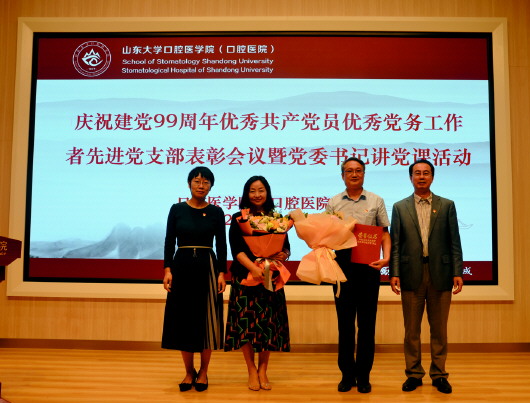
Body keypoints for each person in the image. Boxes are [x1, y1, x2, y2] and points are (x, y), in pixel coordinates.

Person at [389, 159, 463, 395]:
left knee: (439, 329)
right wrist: (394, 273)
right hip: (411, 273)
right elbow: (396, 244)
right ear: (410, 177)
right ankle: (413, 374)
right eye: (417, 173)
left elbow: (454, 241)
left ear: (432, 177)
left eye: (426, 173)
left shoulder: (447, 205)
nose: (421, 177)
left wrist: (457, 271)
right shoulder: (399, 207)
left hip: (440, 274)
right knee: (411, 330)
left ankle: (439, 375)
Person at [325, 157, 391, 393]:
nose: (354, 174)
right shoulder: (334, 202)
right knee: (345, 325)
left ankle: (363, 375)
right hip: (342, 268)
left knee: (367, 324)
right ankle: (346, 374)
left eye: (358, 170)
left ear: (364, 174)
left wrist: (386, 258)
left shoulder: (376, 200)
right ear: (342, 175)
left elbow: (384, 234)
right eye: (349, 171)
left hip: (368, 268)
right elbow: (326, 236)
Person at [161, 166, 227, 392]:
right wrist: (167, 269)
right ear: (189, 184)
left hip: (208, 266)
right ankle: (189, 372)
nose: (201, 185)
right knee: (184, 320)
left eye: (206, 182)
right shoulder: (177, 209)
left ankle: (204, 372)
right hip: (181, 265)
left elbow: (221, 245)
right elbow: (169, 241)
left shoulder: (216, 211)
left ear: (211, 186)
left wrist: (221, 273)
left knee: (207, 320)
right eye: (197, 181)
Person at [224, 175, 291, 391]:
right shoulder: (238, 218)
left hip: (271, 276)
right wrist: (254, 268)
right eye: (252, 190)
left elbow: (286, 247)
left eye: (261, 190)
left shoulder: (276, 218)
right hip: (245, 277)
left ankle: (263, 369)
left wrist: (283, 255)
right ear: (246, 194)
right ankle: (251, 369)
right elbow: (236, 249)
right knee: (245, 325)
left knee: (268, 325)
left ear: (267, 193)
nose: (257, 194)